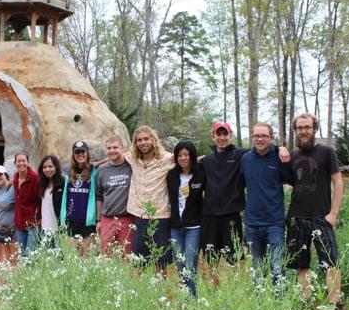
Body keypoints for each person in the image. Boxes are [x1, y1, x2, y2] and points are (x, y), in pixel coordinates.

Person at [287, 113, 349, 310]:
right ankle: (303, 309)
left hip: (322, 218)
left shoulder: (326, 152)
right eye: (300, 128)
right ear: (295, 130)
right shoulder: (293, 155)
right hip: (297, 218)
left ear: (314, 129)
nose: (303, 131)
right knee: (301, 267)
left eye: (307, 127)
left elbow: (338, 182)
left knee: (331, 265)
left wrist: (333, 213)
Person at [199, 122, 290, 285]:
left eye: (224, 134)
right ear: (213, 137)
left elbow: (266, 150)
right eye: (218, 135)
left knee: (270, 266)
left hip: (259, 220)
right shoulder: (212, 161)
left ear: (230, 136)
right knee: (250, 266)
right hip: (231, 220)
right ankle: (225, 295)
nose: (221, 138)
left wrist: (281, 147)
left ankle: (277, 303)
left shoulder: (243, 155)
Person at [240, 123, 293, 288]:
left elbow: (292, 180)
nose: (260, 139)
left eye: (264, 136)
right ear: (252, 138)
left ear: (271, 138)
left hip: (274, 223)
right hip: (252, 224)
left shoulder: (279, 157)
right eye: (256, 136)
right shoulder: (246, 159)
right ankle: (261, 305)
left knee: (277, 267)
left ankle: (280, 306)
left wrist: (282, 148)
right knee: (257, 269)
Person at [124, 125, 174, 272]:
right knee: (139, 261)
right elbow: (115, 156)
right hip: (141, 216)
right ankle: (142, 292)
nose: (143, 142)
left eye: (146, 139)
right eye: (139, 140)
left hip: (161, 215)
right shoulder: (133, 159)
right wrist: (94, 165)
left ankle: (161, 291)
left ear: (153, 140)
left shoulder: (167, 159)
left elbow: (188, 158)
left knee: (161, 260)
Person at [167, 140, 204, 297]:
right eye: (180, 155)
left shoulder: (201, 173)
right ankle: (185, 299)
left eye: (186, 154)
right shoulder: (172, 175)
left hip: (194, 228)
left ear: (192, 156)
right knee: (180, 265)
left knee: (190, 265)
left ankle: (193, 300)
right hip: (175, 228)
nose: (183, 158)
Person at [95, 136, 134, 257]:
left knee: (126, 255)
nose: (112, 151)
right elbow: (99, 196)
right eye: (109, 148)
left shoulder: (131, 166)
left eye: (115, 147)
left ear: (123, 148)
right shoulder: (102, 170)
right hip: (108, 217)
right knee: (106, 254)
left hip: (127, 217)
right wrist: (98, 220)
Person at [60, 141, 98, 256]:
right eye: (77, 152)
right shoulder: (67, 171)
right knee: (71, 258)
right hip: (71, 220)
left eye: (83, 152)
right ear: (73, 155)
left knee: (86, 257)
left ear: (87, 153)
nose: (80, 155)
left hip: (87, 221)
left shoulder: (94, 171)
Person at [13, 153, 41, 256]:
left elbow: (40, 200)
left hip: (33, 223)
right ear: (15, 163)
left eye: (23, 160)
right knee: (22, 255)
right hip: (20, 223)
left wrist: (39, 219)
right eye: (18, 161)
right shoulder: (15, 179)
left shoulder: (34, 178)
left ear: (28, 162)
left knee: (30, 255)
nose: (21, 163)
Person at [0, 165, 17, 272]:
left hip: (13, 228)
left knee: (15, 258)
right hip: (3, 228)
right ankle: (9, 285)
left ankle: (18, 284)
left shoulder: (13, 188)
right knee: (6, 258)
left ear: (5, 175)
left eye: (0, 175)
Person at [38, 155, 65, 247]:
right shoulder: (42, 184)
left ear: (56, 167)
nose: (47, 169)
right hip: (45, 228)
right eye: (44, 167)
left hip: (58, 228)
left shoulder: (63, 183)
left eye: (50, 166)